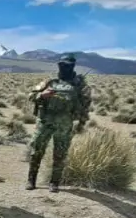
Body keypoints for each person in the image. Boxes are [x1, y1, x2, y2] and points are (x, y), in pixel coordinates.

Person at [27, 54, 92, 192]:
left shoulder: (80, 85)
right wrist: (42, 95)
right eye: (62, 65)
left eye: (68, 66)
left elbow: (85, 105)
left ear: (73, 66)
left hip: (65, 124)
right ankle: (31, 180)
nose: (65, 68)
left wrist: (81, 123)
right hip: (44, 122)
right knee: (36, 151)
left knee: (60, 153)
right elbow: (31, 96)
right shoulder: (49, 81)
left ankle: (54, 183)